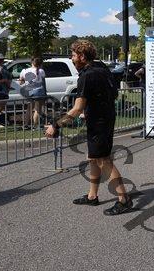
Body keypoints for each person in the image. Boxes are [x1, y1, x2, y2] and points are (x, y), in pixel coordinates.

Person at [45, 40, 133, 215]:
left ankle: (124, 200)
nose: (72, 58)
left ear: (82, 57)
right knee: (94, 159)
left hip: (99, 122)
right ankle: (92, 196)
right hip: (105, 118)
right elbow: (114, 94)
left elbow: (77, 108)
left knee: (103, 160)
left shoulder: (86, 76)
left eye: (73, 55)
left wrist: (55, 125)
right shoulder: (102, 68)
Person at [19, 57, 47, 127]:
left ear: (31, 62)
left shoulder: (24, 70)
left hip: (29, 92)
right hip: (39, 91)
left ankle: (26, 124)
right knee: (37, 109)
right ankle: (35, 125)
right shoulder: (41, 71)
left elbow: (21, 82)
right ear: (40, 64)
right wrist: (45, 92)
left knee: (29, 108)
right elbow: (43, 82)